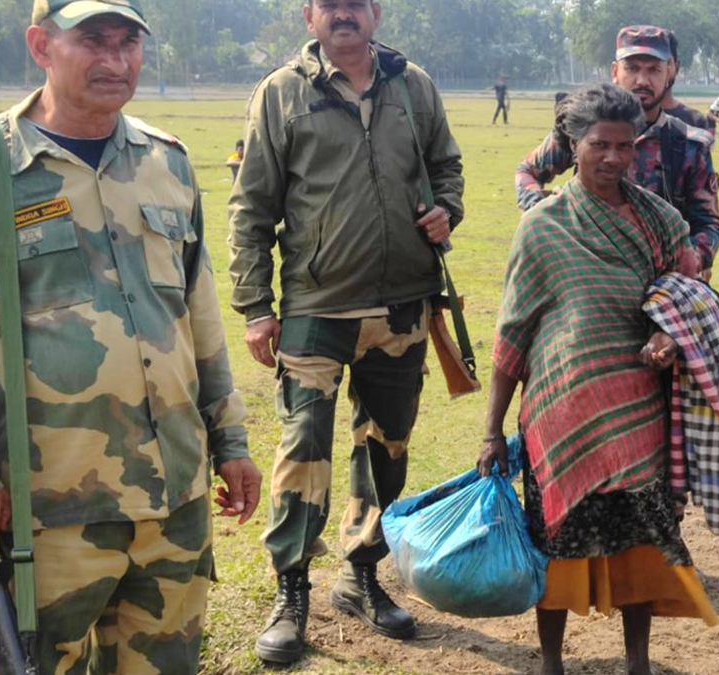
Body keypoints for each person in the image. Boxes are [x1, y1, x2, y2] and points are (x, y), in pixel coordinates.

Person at [0, 1, 262, 672]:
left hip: (173, 504)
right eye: (93, 40)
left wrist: (231, 440)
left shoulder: (168, 162)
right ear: (41, 46)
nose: (116, 59)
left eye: (129, 43)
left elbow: (199, 315)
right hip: (46, 513)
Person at [227, 0, 465, 663]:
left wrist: (447, 208)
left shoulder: (413, 85)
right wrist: (255, 304)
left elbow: (448, 166)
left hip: (401, 309)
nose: (343, 16)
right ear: (310, 16)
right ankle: (291, 589)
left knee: (385, 447)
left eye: (355, 5)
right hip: (314, 310)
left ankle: (361, 575)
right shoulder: (282, 93)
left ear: (375, 13)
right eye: (329, 5)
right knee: (303, 451)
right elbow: (251, 204)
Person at [478, 83, 717, 675]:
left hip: (639, 407)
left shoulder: (661, 219)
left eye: (625, 146)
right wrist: (491, 430)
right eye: (598, 145)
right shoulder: (542, 227)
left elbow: (690, 298)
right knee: (554, 542)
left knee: (640, 544)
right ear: (572, 144)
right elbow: (512, 335)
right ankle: (551, 662)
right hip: (559, 412)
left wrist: (669, 336)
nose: (612, 157)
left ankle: (638, 661)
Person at [515, 25, 719, 276]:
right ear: (615, 71)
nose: (642, 81)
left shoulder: (687, 144)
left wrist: (693, 259)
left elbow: (708, 223)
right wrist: (546, 216)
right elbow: (527, 171)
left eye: (653, 70)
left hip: (661, 285)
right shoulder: (583, 130)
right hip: (587, 276)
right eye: (632, 68)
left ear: (669, 72)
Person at [662, 31, 715, 131]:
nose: (643, 79)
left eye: (655, 68)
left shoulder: (694, 121)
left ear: (676, 67)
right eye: (634, 68)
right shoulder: (626, 121)